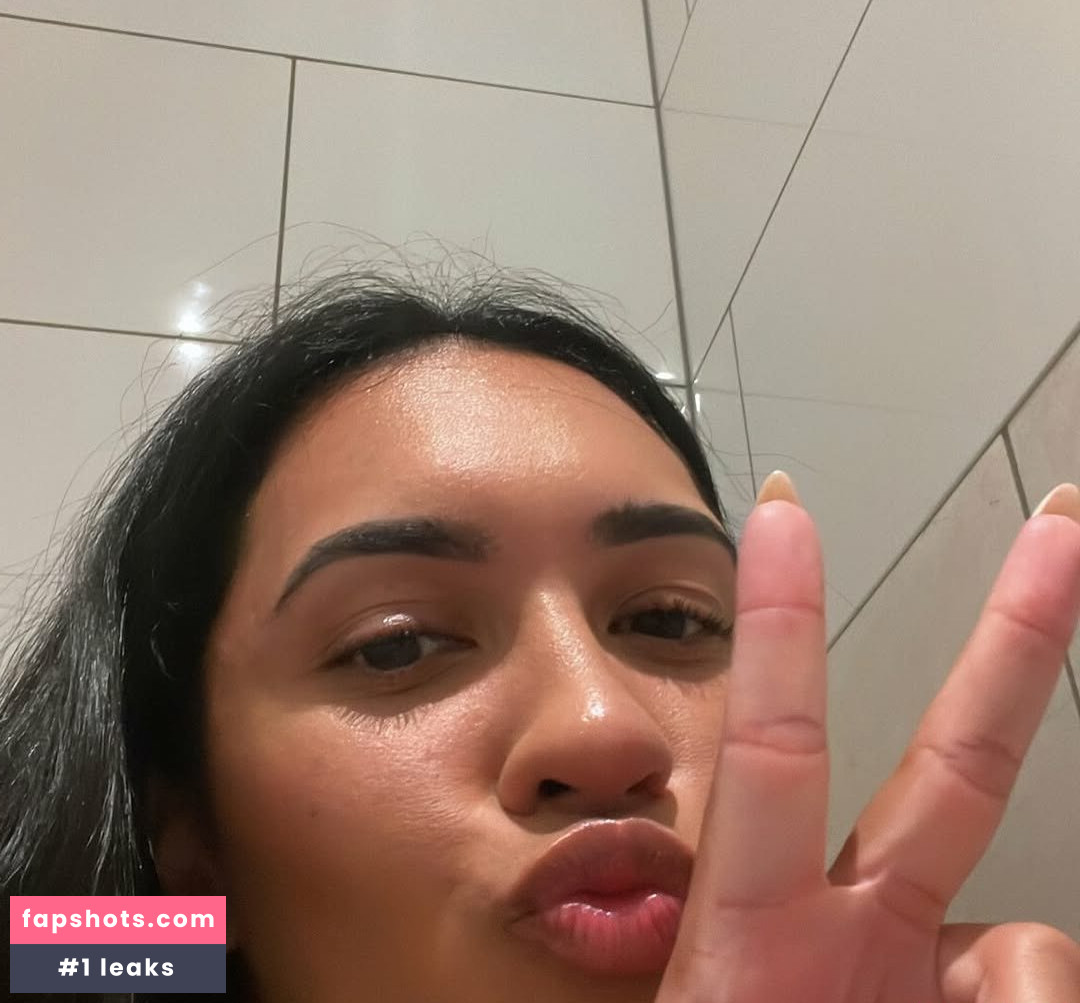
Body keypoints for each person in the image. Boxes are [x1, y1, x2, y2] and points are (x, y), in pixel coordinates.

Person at [1, 270, 1078, 1003]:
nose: (604, 726)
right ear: (190, 825)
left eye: (670, 619)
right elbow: (55, 944)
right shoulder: (122, 937)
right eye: (397, 641)